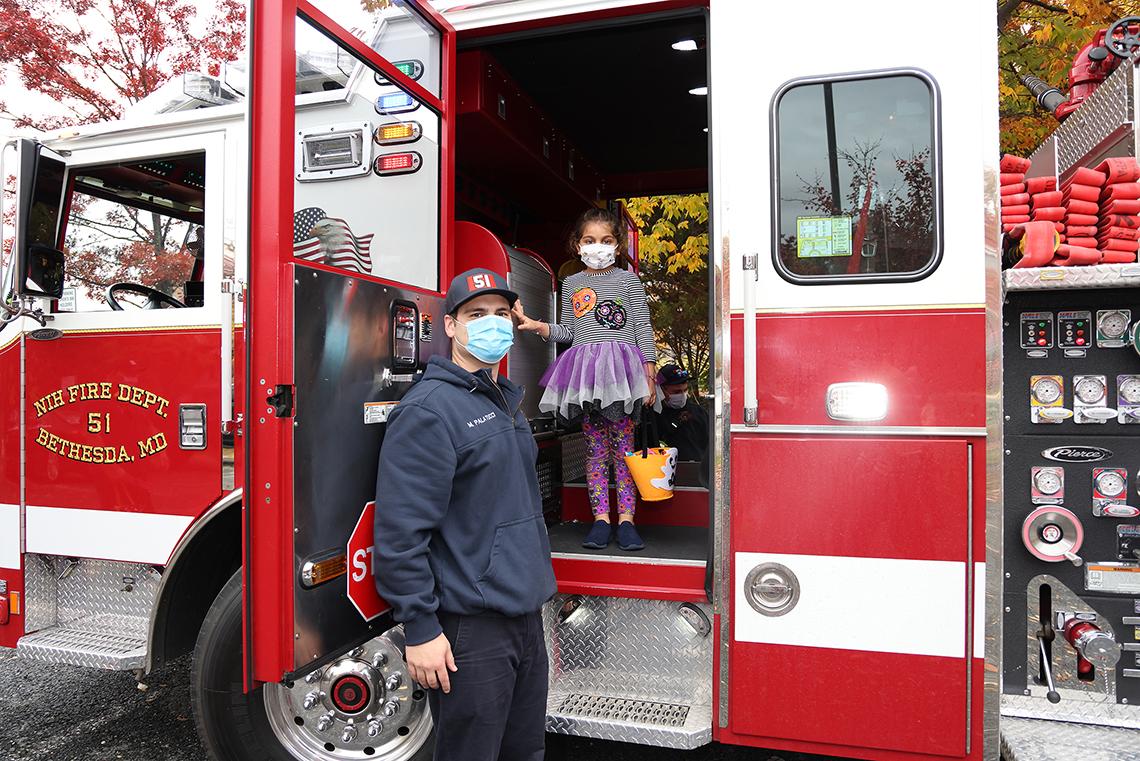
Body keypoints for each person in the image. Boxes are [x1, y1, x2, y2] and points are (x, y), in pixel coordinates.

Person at [373, 268, 556, 761]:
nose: (491, 324)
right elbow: (400, 532)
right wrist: (421, 628)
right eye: (476, 315)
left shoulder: (505, 402)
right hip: (469, 629)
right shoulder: (429, 411)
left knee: (524, 751)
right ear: (450, 326)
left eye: (500, 314)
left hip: (522, 616)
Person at [513, 207, 657, 552]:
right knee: (595, 451)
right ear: (578, 245)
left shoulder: (628, 280)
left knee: (624, 450)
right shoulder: (572, 284)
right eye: (590, 240)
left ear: (618, 245)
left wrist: (649, 376)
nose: (598, 247)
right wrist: (539, 326)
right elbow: (570, 331)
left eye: (606, 241)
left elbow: (642, 328)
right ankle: (601, 521)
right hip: (586, 376)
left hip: (623, 374)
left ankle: (626, 522)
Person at [651, 363, 708, 463]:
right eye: (676, 392)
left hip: (698, 471)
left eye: (685, 390)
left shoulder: (699, 412)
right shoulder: (652, 416)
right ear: (661, 390)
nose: (682, 395)